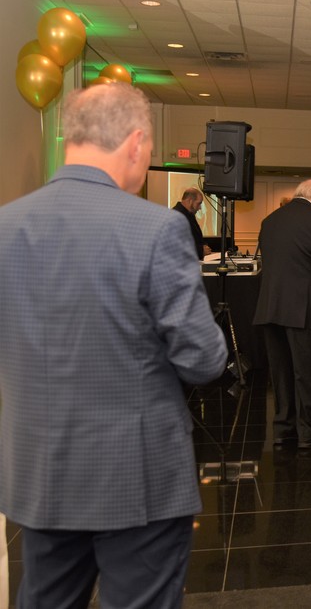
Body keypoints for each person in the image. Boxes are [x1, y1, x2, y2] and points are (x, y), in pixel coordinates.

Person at [0, 83, 228, 606]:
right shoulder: (156, 229)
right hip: (135, 476)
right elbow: (204, 359)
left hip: (39, 471)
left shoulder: (6, 226)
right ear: (135, 142)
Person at [255, 179, 311, 449]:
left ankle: (283, 430)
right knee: (309, 372)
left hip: (272, 308)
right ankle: (309, 432)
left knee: (281, 374)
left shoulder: (270, 221)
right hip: (307, 310)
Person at [172, 187, 212, 257]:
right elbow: (176, 246)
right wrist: (200, 250)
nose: (200, 208)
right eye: (199, 203)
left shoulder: (189, 215)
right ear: (190, 201)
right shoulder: (176, 216)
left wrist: (204, 247)